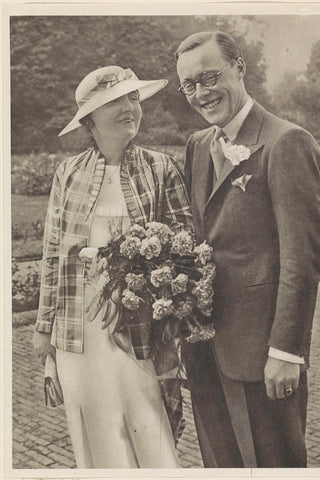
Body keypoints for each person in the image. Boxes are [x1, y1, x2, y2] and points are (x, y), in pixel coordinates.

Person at [176, 31, 320, 468]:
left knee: (276, 464)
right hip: (205, 350)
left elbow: (303, 260)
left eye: (209, 77)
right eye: (189, 84)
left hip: (263, 354)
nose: (201, 93)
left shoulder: (287, 142)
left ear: (239, 69)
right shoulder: (197, 145)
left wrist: (286, 351)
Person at [32, 65, 192, 468]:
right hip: (77, 330)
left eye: (133, 98)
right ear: (89, 119)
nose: (129, 108)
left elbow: (186, 252)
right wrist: (43, 328)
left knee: (152, 436)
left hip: (139, 329)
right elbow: (53, 255)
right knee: (97, 439)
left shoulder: (161, 169)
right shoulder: (67, 173)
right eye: (115, 101)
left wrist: (148, 291)